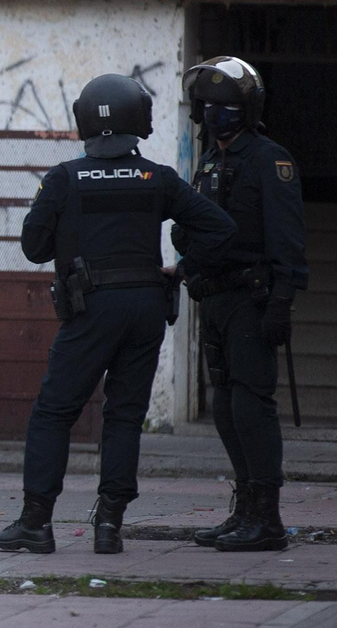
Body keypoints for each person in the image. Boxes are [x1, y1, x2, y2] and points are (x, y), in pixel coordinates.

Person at [0, 74, 235, 555]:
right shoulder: (157, 177)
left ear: (84, 120)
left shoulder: (64, 178)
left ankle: (36, 523)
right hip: (145, 307)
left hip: (90, 308)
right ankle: (109, 526)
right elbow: (220, 228)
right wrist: (183, 267)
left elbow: (34, 248)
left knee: (55, 411)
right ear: (138, 119)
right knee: (124, 415)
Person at [176, 56, 309, 553]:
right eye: (208, 105)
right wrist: (187, 267)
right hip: (214, 297)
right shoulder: (209, 160)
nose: (215, 114)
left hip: (252, 299)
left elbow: (287, 238)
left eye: (225, 106)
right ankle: (245, 508)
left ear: (246, 110)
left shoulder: (269, 160)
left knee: (252, 407)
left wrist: (282, 301)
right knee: (226, 406)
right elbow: (199, 228)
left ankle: (267, 519)